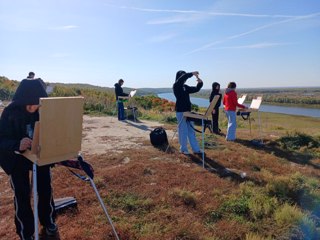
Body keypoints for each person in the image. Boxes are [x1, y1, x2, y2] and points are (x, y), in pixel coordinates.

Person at [0, 79, 58, 240]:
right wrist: (17, 144)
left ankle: (48, 221)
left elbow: (53, 132)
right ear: (22, 101)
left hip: (39, 157)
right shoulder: (9, 112)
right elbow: (1, 140)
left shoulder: (44, 111)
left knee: (45, 190)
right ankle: (26, 232)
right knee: (22, 195)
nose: (34, 108)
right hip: (16, 159)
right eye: (30, 105)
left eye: (37, 104)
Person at [173, 70, 203, 155]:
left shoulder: (185, 87)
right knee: (183, 131)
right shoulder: (176, 85)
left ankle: (196, 149)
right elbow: (181, 79)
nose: (184, 78)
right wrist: (191, 74)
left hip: (188, 111)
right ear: (178, 77)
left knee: (191, 131)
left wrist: (200, 83)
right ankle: (183, 149)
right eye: (182, 75)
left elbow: (196, 89)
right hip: (180, 111)